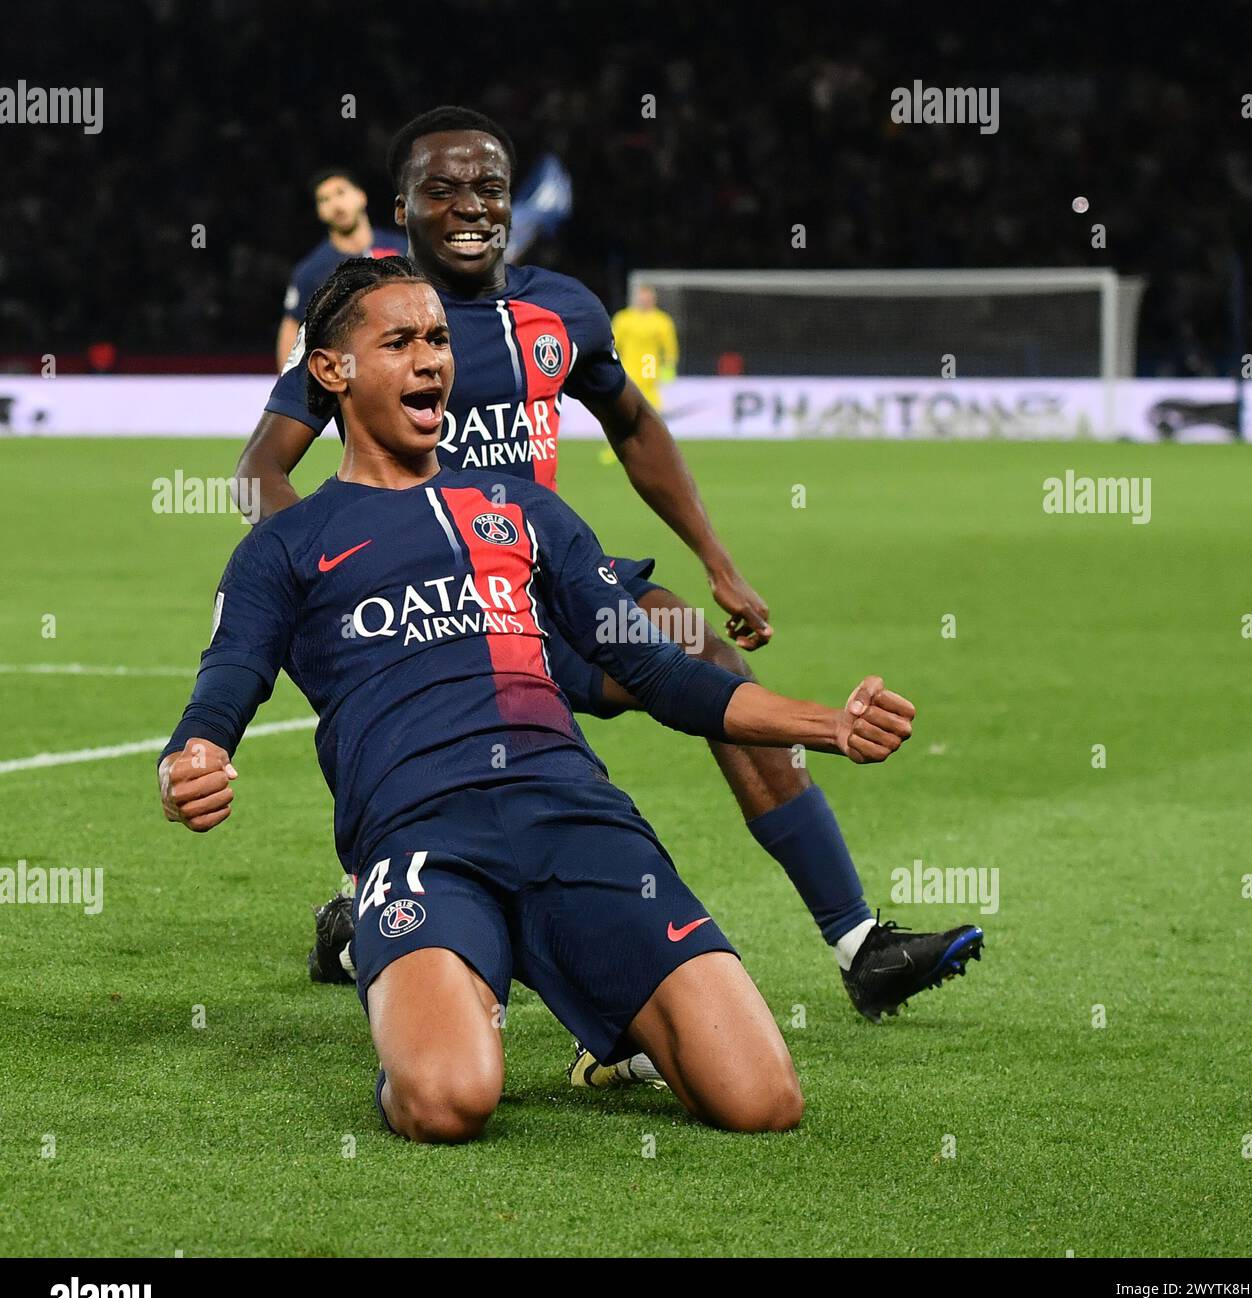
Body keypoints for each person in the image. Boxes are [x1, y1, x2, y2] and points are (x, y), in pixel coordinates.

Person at [157, 257, 969, 1143]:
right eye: (400, 342)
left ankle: (597, 1013)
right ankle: (430, 981)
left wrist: (830, 725)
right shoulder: (287, 545)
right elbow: (228, 677)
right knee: (448, 1100)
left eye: (437, 339)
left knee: (763, 1100)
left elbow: (661, 673)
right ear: (332, 372)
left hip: (573, 816)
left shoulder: (522, 513)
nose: (432, 360)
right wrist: (192, 754)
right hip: (423, 837)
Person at [236, 106, 981, 1032]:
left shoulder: (565, 310)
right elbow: (260, 467)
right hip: (438, 608)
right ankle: (371, 924)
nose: (470, 206)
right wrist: (335, 572)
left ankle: (858, 941)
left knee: (700, 654)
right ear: (403, 206)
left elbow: (632, 424)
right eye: (442, 189)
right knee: (457, 774)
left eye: (490, 188)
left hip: (564, 589)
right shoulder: (371, 322)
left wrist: (718, 559)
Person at [274, 168, 406, 368]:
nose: (336, 205)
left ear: (361, 197)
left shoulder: (404, 249)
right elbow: (292, 328)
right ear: (320, 212)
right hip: (349, 376)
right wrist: (289, 387)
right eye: (325, 200)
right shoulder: (311, 271)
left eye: (340, 193)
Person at [611, 284, 678, 410]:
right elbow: (613, 344)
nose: (644, 301)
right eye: (642, 297)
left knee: (650, 400)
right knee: (626, 399)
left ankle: (653, 422)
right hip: (628, 365)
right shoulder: (623, 319)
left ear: (653, 299)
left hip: (649, 364)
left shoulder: (662, 321)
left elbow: (670, 347)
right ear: (636, 298)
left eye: (647, 298)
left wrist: (669, 367)